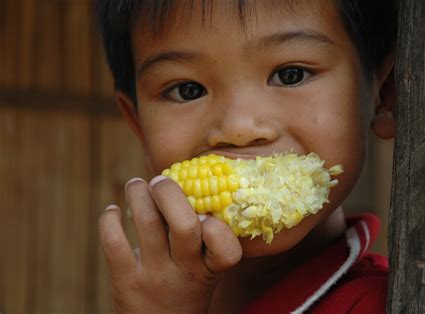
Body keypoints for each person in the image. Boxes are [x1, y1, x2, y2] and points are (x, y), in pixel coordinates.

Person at [96, 0, 397, 313]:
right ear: (139, 127)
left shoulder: (385, 304)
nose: (238, 128)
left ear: (385, 93)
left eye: (290, 75)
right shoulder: (145, 298)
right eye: (188, 90)